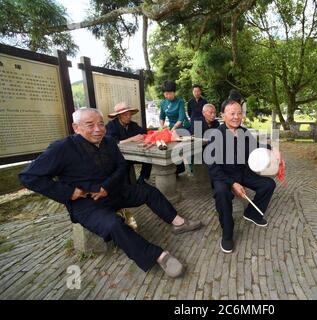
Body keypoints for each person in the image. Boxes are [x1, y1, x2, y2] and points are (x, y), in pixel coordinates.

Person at [18, 107, 202, 278]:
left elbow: (121, 167)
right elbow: (28, 177)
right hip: (86, 204)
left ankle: (179, 222)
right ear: (76, 127)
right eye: (90, 125)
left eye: (100, 124)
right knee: (115, 224)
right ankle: (159, 256)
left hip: (113, 191)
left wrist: (106, 187)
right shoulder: (61, 148)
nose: (98, 129)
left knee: (149, 191)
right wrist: (68, 192)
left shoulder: (108, 142)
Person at [206, 99, 280, 253]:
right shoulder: (215, 135)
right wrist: (232, 183)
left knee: (268, 185)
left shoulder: (243, 132)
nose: (236, 117)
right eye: (232, 113)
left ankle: (251, 213)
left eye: (239, 113)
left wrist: (273, 148)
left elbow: (255, 147)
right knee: (221, 194)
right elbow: (213, 168)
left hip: (242, 172)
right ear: (223, 115)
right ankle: (227, 234)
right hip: (223, 175)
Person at [106, 102, 151, 185]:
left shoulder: (133, 125)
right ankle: (126, 185)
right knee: (123, 165)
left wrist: (142, 136)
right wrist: (132, 139)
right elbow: (114, 142)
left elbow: (143, 132)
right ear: (119, 116)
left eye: (130, 115)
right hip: (118, 156)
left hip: (132, 154)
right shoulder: (111, 126)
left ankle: (141, 180)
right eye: (125, 115)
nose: (129, 117)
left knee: (148, 159)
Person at [159, 80, 189, 175]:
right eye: (166, 94)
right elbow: (161, 116)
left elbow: (181, 118)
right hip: (171, 126)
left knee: (175, 144)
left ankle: (180, 168)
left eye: (170, 93)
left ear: (174, 92)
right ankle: (175, 168)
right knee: (167, 144)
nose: (168, 95)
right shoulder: (163, 103)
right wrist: (162, 125)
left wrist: (174, 129)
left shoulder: (180, 102)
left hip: (182, 125)